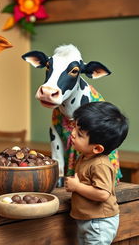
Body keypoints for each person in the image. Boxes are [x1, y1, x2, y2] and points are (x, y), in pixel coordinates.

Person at [65, 101, 129, 245]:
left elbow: (102, 194)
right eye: (74, 127)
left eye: (80, 134)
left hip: (99, 222)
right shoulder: (85, 156)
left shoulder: (99, 164)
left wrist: (77, 187)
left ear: (97, 149)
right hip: (88, 219)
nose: (73, 134)